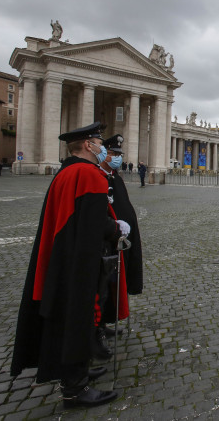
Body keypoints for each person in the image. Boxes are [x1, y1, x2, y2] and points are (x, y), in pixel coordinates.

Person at [11, 122, 130, 408]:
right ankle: (75, 389)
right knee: (80, 314)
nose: (103, 149)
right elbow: (92, 223)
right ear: (88, 145)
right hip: (82, 261)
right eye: (99, 143)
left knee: (72, 315)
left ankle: (76, 370)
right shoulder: (88, 174)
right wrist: (116, 229)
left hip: (65, 255)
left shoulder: (67, 171)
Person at [100, 134, 143, 334]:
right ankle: (96, 327)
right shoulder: (98, 176)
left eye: (118, 154)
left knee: (112, 284)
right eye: (112, 153)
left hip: (119, 239)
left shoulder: (114, 176)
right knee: (102, 285)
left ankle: (105, 321)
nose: (117, 157)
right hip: (106, 241)